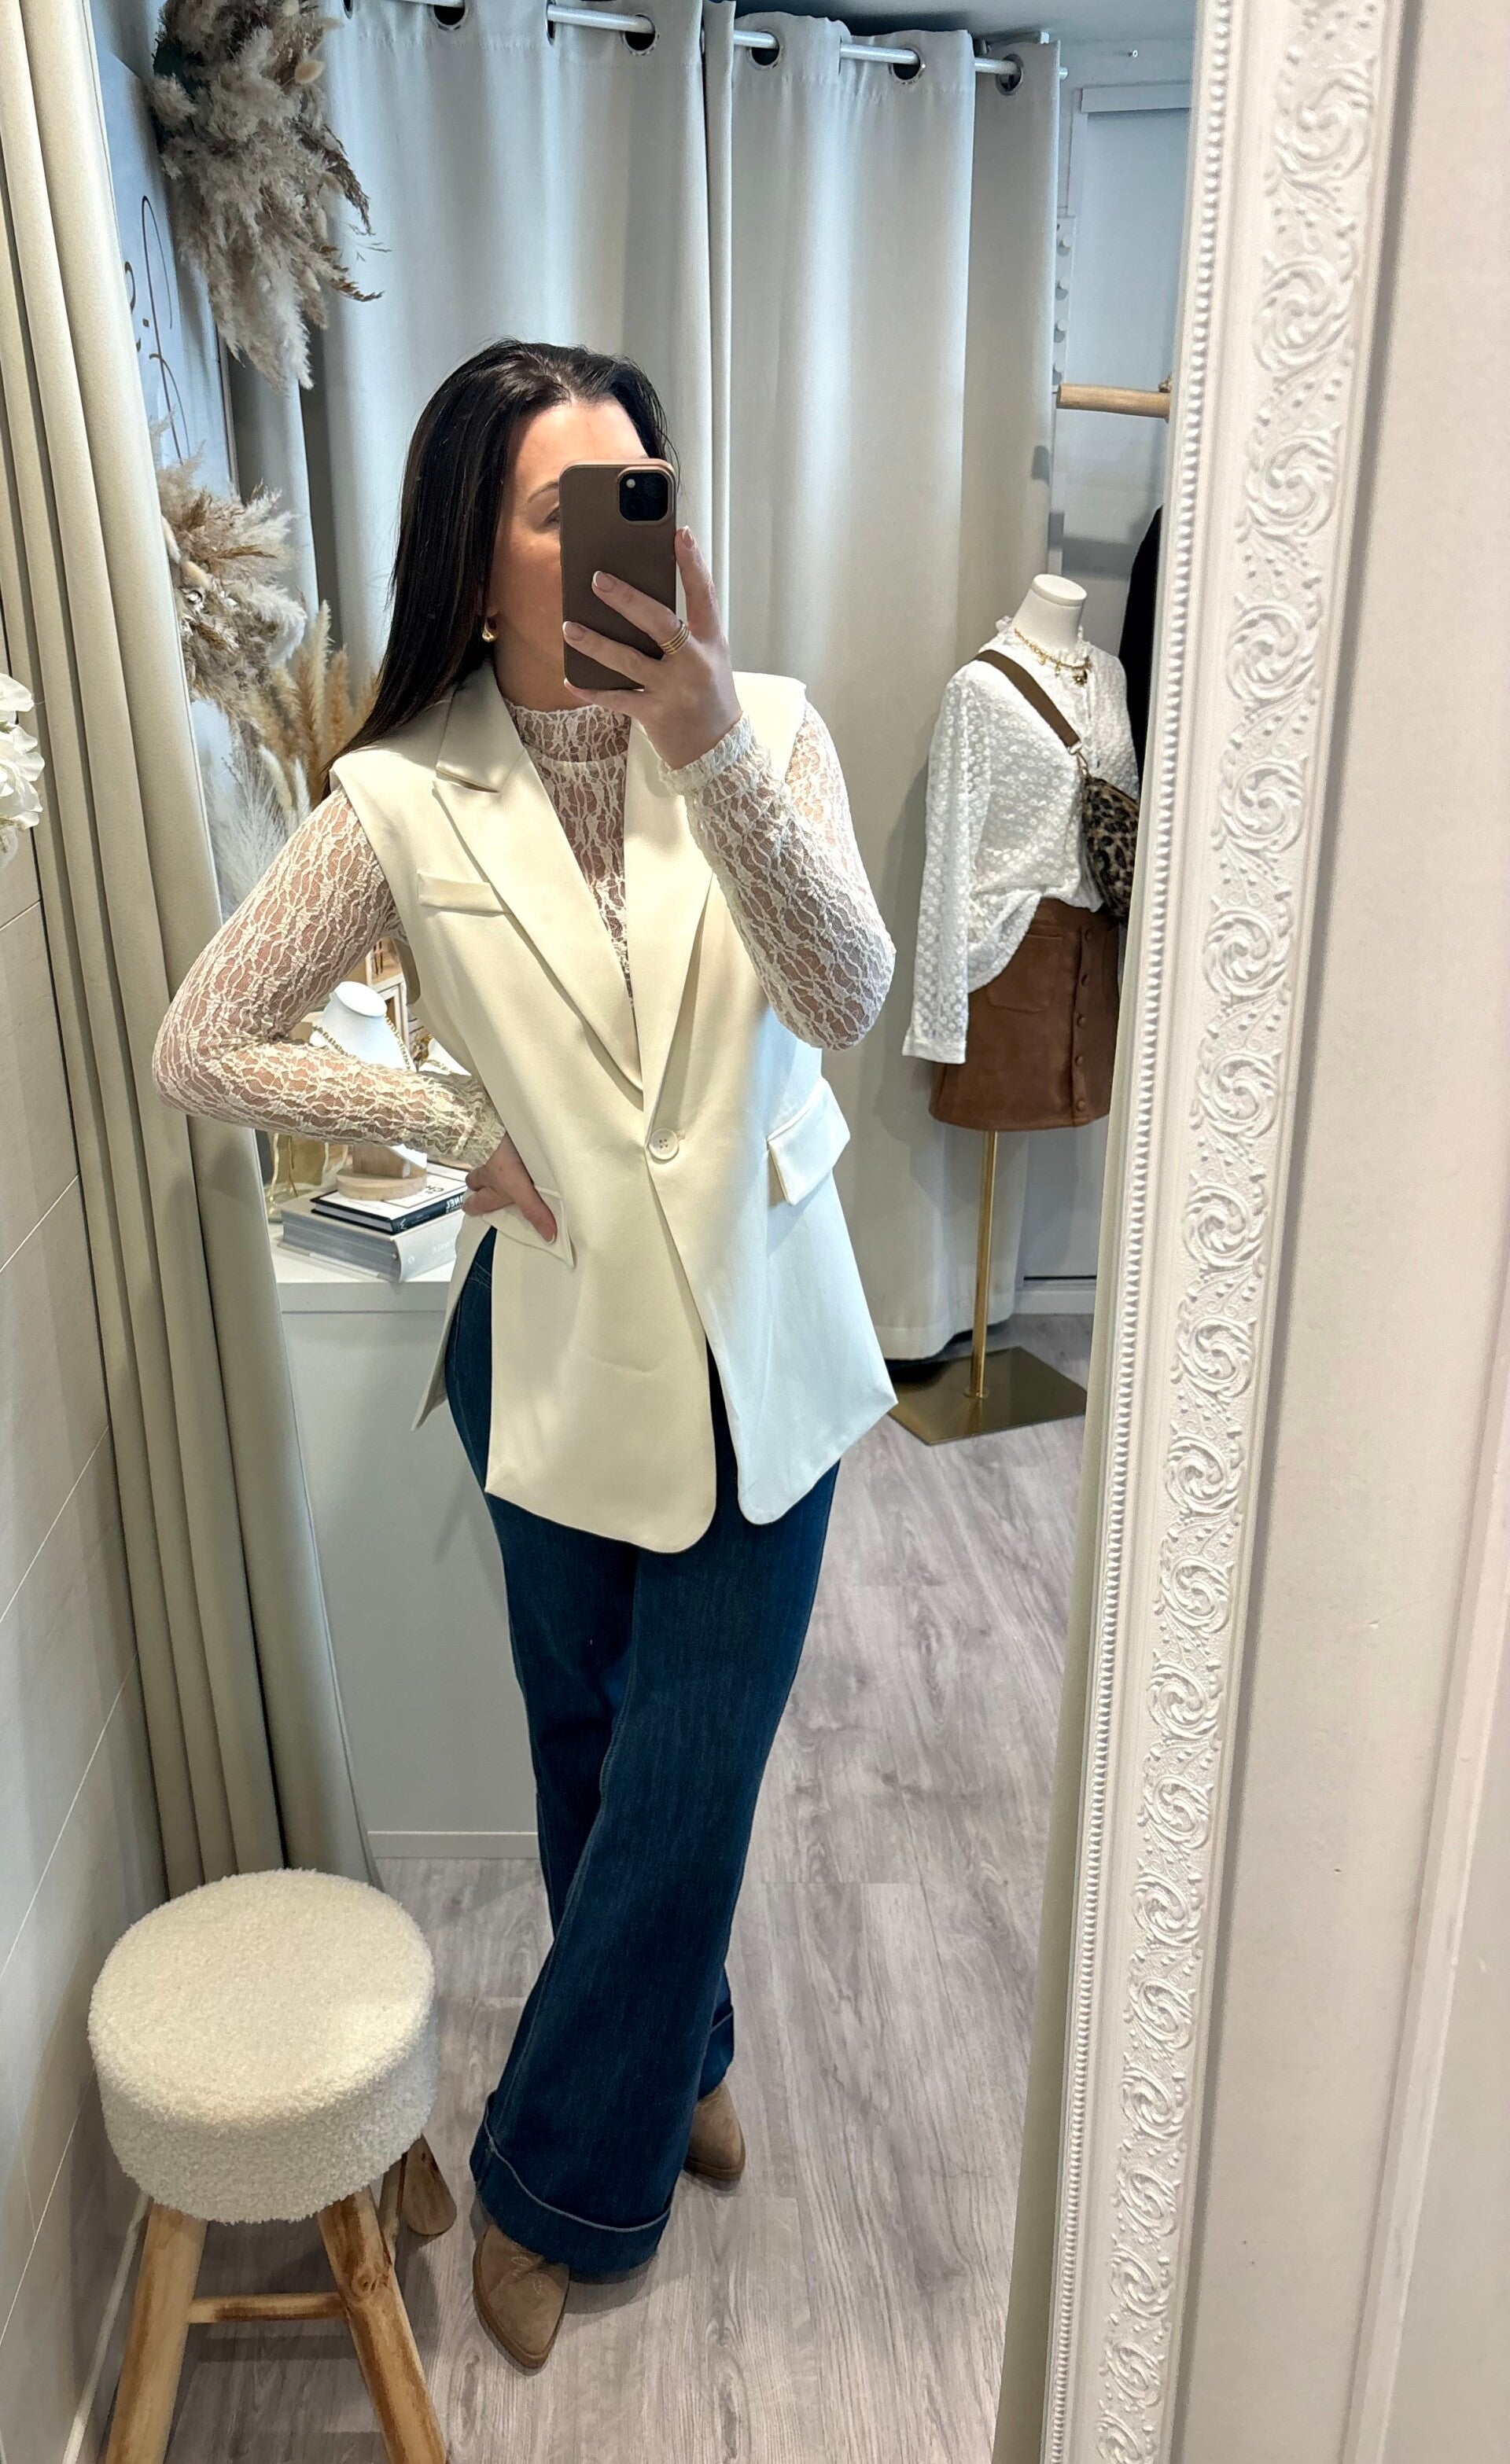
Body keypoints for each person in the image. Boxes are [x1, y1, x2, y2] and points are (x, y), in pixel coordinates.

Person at [151, 337, 897, 2371]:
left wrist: (709, 741)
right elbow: (204, 1041)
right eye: (560, 514)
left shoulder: (774, 732)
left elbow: (845, 994)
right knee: (587, 1753)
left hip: (764, 1341)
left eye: (637, 495)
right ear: (477, 570)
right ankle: (686, 2048)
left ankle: (557, 2178)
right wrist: (448, 1122)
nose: (612, 542)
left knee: (689, 1779)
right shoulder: (397, 799)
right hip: (554, 1343)